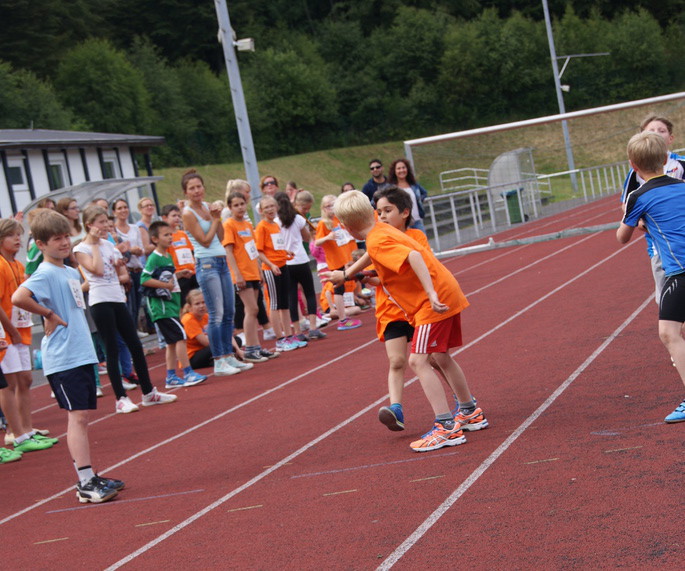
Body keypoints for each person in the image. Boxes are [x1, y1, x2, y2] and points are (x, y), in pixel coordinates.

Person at [328, 190, 487, 452]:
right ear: (372, 213)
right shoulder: (380, 230)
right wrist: (348, 274)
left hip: (431, 301)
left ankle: (446, 426)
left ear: (345, 227)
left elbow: (413, 257)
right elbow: (373, 254)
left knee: (417, 361)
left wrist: (431, 293)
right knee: (440, 357)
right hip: (445, 292)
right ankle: (469, 411)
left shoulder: (376, 240)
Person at [12, 209, 125, 502]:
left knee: (83, 416)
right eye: (56, 239)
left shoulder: (68, 271)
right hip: (63, 356)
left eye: (66, 237)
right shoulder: (46, 272)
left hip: (80, 352)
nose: (64, 243)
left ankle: (90, 476)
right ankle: (85, 482)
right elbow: (19, 297)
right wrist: (48, 314)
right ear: (40, 244)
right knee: (78, 417)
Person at [73, 205, 178, 413]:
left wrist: (119, 265)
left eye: (106, 221)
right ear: (89, 225)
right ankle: (120, 398)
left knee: (135, 345)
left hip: (117, 297)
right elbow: (97, 270)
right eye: (101, 222)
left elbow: (123, 273)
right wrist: (95, 245)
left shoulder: (109, 245)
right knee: (111, 348)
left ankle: (148, 392)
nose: (106, 226)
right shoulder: (81, 249)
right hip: (100, 301)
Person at [617, 131, 685, 424]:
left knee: (669, 333)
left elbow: (622, 237)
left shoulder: (638, 196)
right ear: (665, 158)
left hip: (679, 271)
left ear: (633, 165)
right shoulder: (683, 186)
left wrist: (641, 221)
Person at [181, 169, 245, 376]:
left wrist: (217, 218)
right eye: (192, 188)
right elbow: (205, 241)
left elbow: (221, 235)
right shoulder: (188, 214)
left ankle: (228, 355)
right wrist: (216, 219)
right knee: (216, 314)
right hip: (206, 263)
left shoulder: (208, 207)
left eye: (199, 186)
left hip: (221, 260)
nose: (197, 191)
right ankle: (218, 360)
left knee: (229, 312)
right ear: (186, 192)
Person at [0, 218, 55, 452]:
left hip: (21, 329)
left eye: (18, 235)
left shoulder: (19, 265)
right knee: (9, 383)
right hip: (7, 332)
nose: (17, 239)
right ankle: (14, 433)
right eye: (11, 235)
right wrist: (10, 331)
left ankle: (27, 428)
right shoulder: (0, 265)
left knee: (25, 379)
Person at [621, 115, 685, 303]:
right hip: (658, 242)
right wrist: (639, 221)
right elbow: (626, 203)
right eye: (651, 130)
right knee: (666, 295)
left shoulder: (681, 164)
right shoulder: (635, 174)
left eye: (661, 130)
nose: (656, 133)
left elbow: (621, 237)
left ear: (670, 138)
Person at [141, 221, 209, 387]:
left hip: (171, 304)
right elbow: (144, 279)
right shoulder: (154, 258)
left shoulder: (168, 256)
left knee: (171, 343)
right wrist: (165, 286)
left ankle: (171, 376)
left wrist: (178, 275)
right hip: (161, 308)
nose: (170, 237)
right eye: (166, 235)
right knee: (181, 336)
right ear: (155, 239)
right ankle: (187, 372)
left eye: (171, 234)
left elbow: (167, 277)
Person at [222, 190, 275, 363]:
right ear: (230, 208)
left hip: (252, 271)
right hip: (241, 273)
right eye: (236, 205)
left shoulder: (246, 225)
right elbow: (229, 251)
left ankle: (255, 347)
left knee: (253, 310)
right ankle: (251, 349)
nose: (240, 208)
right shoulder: (229, 225)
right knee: (252, 310)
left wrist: (259, 270)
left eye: (242, 204)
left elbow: (253, 251)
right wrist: (237, 274)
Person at [275, 192, 326, 341]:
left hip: (286, 262)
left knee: (292, 296)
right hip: (301, 259)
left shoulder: (275, 222)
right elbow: (306, 237)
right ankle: (313, 327)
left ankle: (297, 330)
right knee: (309, 293)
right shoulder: (298, 218)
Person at [255, 196, 303, 351]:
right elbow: (259, 251)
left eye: (272, 206)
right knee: (275, 304)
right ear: (261, 211)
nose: (270, 210)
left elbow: (275, 246)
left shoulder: (275, 225)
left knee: (285, 303)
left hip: (283, 265)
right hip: (271, 269)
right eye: (266, 207)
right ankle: (280, 339)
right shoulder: (261, 227)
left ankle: (289, 335)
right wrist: (271, 264)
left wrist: (285, 251)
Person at [315, 195, 362, 331]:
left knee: (346, 286)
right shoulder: (323, 223)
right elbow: (317, 242)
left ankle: (344, 315)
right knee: (338, 289)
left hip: (345, 258)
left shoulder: (339, 220)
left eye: (333, 205)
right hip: (335, 261)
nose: (331, 208)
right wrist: (328, 237)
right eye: (328, 206)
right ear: (323, 208)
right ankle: (342, 319)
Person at [112, 198, 149, 332]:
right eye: (120, 208)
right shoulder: (114, 231)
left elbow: (141, 248)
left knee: (138, 303)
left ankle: (135, 330)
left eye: (125, 207)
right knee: (129, 305)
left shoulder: (134, 228)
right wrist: (129, 250)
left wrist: (137, 250)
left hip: (137, 268)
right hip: (125, 270)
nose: (123, 210)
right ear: (114, 212)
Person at [160, 204, 199, 306]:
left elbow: (191, 251)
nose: (177, 218)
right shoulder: (165, 237)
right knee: (183, 305)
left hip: (192, 273)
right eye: (173, 216)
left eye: (178, 215)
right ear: (164, 218)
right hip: (179, 275)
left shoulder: (183, 234)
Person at [387, 158, 428, 233]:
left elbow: (424, 193)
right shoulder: (391, 187)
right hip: (402, 224)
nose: (401, 170)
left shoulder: (413, 185)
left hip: (417, 222)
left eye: (403, 167)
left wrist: (419, 201)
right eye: (399, 168)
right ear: (394, 171)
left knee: (423, 240)